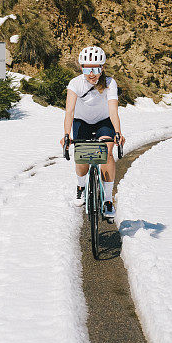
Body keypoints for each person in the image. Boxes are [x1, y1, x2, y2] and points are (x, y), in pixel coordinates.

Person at [60, 45, 125, 220]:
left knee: (107, 154)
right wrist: (67, 135)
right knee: (82, 159)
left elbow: (113, 111)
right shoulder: (75, 84)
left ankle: (108, 200)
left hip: (104, 122)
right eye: (87, 69)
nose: (91, 74)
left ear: (102, 68)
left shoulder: (110, 83)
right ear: (81, 68)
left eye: (96, 69)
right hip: (82, 122)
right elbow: (69, 112)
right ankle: (81, 187)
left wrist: (118, 132)